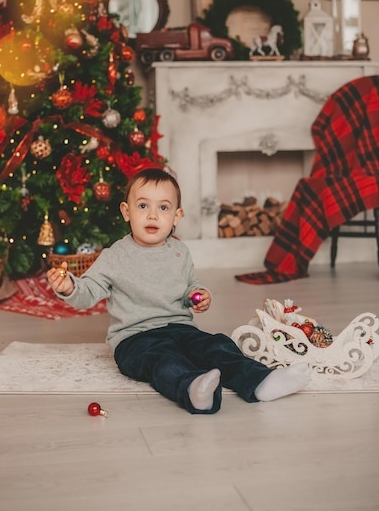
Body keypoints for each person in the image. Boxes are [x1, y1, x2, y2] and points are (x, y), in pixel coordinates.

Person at [47, 168, 310, 414]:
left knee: (217, 345)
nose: (152, 215)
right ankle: (193, 389)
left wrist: (198, 295)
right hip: (135, 339)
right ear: (127, 212)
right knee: (163, 360)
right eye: (143, 206)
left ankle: (260, 382)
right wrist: (70, 286)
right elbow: (88, 292)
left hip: (181, 329)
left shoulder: (179, 252)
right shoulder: (114, 256)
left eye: (163, 207)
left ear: (176, 216)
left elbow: (189, 287)